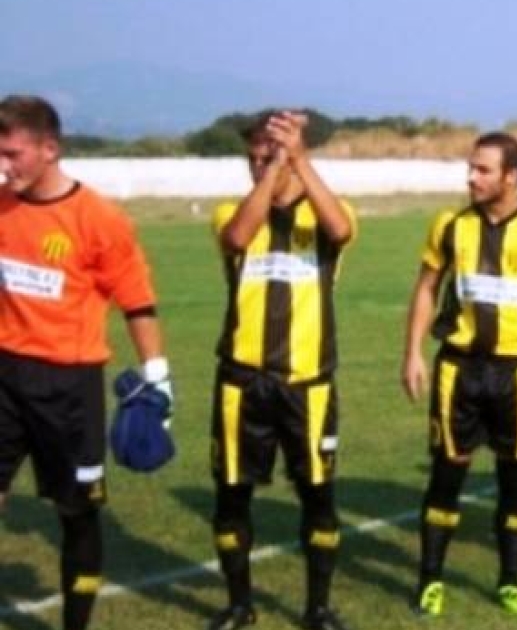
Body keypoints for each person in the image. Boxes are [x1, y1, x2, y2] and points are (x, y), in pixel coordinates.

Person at [0, 94, 172, 630]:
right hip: (4, 374)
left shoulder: (100, 220)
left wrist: (159, 379)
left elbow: (137, 303)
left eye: (12, 154)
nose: (4, 166)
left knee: (76, 515)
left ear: (49, 149)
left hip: (69, 387)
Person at [402, 132, 517, 617]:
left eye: (483, 170)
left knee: (515, 480)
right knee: (447, 475)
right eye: (471, 168)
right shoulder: (450, 226)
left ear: (511, 176)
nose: (471, 177)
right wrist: (413, 353)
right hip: (458, 371)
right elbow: (426, 289)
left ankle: (510, 582)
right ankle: (430, 580)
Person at [207, 110, 355, 630]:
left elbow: (341, 229)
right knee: (232, 497)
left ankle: (318, 608)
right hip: (241, 382)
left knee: (318, 497)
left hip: (306, 384)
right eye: (252, 158)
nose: (257, 165)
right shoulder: (232, 211)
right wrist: (273, 170)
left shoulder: (327, 213)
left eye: (266, 156)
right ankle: (239, 605)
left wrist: (298, 159)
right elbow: (236, 238)